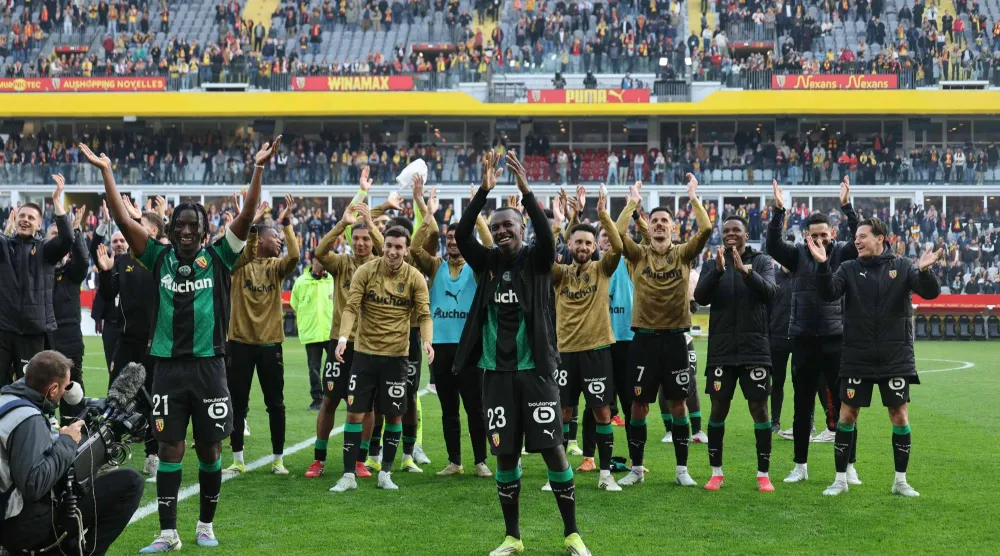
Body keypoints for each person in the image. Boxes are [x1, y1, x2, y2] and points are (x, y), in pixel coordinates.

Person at [81, 136, 275, 553]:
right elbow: (120, 218)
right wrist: (107, 173)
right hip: (167, 367)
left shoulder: (222, 256)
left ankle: (205, 525)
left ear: (205, 231)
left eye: (194, 225)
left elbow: (245, 216)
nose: (187, 230)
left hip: (209, 367)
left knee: (209, 446)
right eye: (181, 225)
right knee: (169, 445)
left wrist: (257, 168)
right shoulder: (156, 256)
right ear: (171, 230)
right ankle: (168, 532)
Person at [452, 151, 591, 556]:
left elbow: (549, 237)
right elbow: (463, 236)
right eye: (496, 227)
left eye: (508, 225)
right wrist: (483, 191)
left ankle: (572, 533)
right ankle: (513, 536)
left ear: (522, 226)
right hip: (495, 373)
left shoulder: (538, 260)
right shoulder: (488, 263)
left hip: (536, 372)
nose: (501, 231)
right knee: (506, 453)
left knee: (552, 449)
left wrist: (526, 191)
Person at [811, 217, 942, 497]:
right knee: (847, 415)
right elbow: (827, 293)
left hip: (895, 356)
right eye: (856, 237)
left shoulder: (904, 266)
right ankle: (840, 479)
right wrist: (823, 266)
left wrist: (925, 270)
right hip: (857, 355)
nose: (856, 241)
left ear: (880, 238)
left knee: (899, 416)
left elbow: (930, 293)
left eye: (862, 236)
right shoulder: (847, 268)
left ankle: (900, 481)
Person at [615, 176, 711, 488]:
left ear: (673, 227)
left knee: (679, 403)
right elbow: (617, 234)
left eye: (664, 221)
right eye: (654, 220)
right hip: (642, 339)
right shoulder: (638, 255)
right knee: (638, 405)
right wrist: (633, 204)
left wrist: (693, 197)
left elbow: (707, 229)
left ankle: (682, 470)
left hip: (675, 339)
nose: (658, 224)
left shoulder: (683, 253)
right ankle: (636, 468)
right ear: (650, 225)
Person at [0, 350, 143, 556]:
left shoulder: (8, 400)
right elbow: (35, 484)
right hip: (21, 527)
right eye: (65, 386)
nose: (66, 392)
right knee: (131, 482)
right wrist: (67, 442)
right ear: (53, 388)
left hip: (8, 517)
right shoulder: (29, 420)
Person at [766, 178, 861, 486]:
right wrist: (779, 212)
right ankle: (800, 465)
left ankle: (848, 467)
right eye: (814, 235)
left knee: (845, 406)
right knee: (802, 404)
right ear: (805, 236)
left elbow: (859, 240)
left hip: (835, 338)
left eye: (824, 234)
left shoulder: (841, 253)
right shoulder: (796, 255)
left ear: (832, 234)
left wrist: (847, 207)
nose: (820, 239)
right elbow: (772, 246)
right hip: (804, 338)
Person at [328, 225, 434, 492]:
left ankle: (385, 472)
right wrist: (343, 338)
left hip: (397, 357)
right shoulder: (365, 272)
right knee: (354, 414)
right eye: (389, 245)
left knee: (394, 415)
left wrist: (427, 341)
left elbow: (424, 315)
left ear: (406, 250)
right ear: (382, 246)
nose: (393, 251)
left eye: (399, 247)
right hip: (364, 354)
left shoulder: (415, 278)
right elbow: (351, 307)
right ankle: (348, 475)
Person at [409, 181, 493, 478]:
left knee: (475, 407)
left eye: (459, 237)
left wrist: (478, 211)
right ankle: (455, 461)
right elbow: (415, 247)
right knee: (448, 408)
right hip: (440, 347)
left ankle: (480, 461)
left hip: (470, 346)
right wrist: (427, 213)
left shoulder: (478, 267)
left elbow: (490, 246)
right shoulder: (435, 267)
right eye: (449, 238)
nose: (454, 242)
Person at [693, 215, 778, 492]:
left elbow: (771, 293)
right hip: (721, 352)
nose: (730, 234)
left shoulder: (762, 261)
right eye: (726, 230)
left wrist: (746, 272)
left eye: (736, 230)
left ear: (746, 234)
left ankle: (763, 474)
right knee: (719, 408)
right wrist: (717, 271)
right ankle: (716, 472)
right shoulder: (711, 263)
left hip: (755, 350)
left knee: (759, 409)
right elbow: (701, 297)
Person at [304, 198, 383, 480]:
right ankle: (319, 458)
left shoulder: (380, 265)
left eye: (365, 239)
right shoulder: (341, 263)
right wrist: (342, 224)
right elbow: (319, 250)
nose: (361, 243)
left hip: (369, 345)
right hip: (340, 343)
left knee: (367, 405)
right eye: (356, 238)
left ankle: (360, 460)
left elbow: (390, 249)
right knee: (330, 401)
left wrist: (372, 225)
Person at [224, 194, 300, 476]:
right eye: (276, 237)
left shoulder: (276, 268)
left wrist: (287, 224)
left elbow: (294, 256)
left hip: (270, 344)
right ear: (261, 239)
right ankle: (238, 459)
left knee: (275, 403)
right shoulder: (237, 267)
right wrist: (250, 224)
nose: (279, 240)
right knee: (238, 404)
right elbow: (239, 251)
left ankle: (278, 459)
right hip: (240, 343)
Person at [93, 202, 167, 480]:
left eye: (140, 224)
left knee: (152, 399)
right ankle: (110, 454)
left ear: (155, 231)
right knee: (117, 397)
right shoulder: (121, 260)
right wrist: (103, 271)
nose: (132, 229)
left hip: (153, 342)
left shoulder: (161, 259)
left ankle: (153, 454)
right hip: (126, 341)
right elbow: (108, 292)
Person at [0, 177, 72, 387]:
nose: (25, 219)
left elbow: (67, 239)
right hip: (3, 330)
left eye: (31, 217)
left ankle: (32, 420)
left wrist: (57, 200)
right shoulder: (4, 246)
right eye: (21, 215)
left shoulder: (45, 249)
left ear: (40, 224)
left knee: (31, 388)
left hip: (32, 333)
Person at [45, 180, 90, 426]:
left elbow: (83, 260)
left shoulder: (72, 273)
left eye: (63, 236)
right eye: (55, 235)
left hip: (69, 337)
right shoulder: (39, 269)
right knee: (41, 382)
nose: (60, 239)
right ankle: (45, 428)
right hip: (43, 335)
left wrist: (77, 232)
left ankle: (76, 433)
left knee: (73, 387)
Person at [290, 251, 334, 411]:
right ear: (313, 260)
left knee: (334, 368)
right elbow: (294, 304)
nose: (323, 262)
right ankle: (317, 399)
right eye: (320, 259)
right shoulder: (301, 282)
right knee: (314, 368)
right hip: (311, 333)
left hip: (331, 332)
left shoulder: (333, 280)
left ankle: (333, 397)